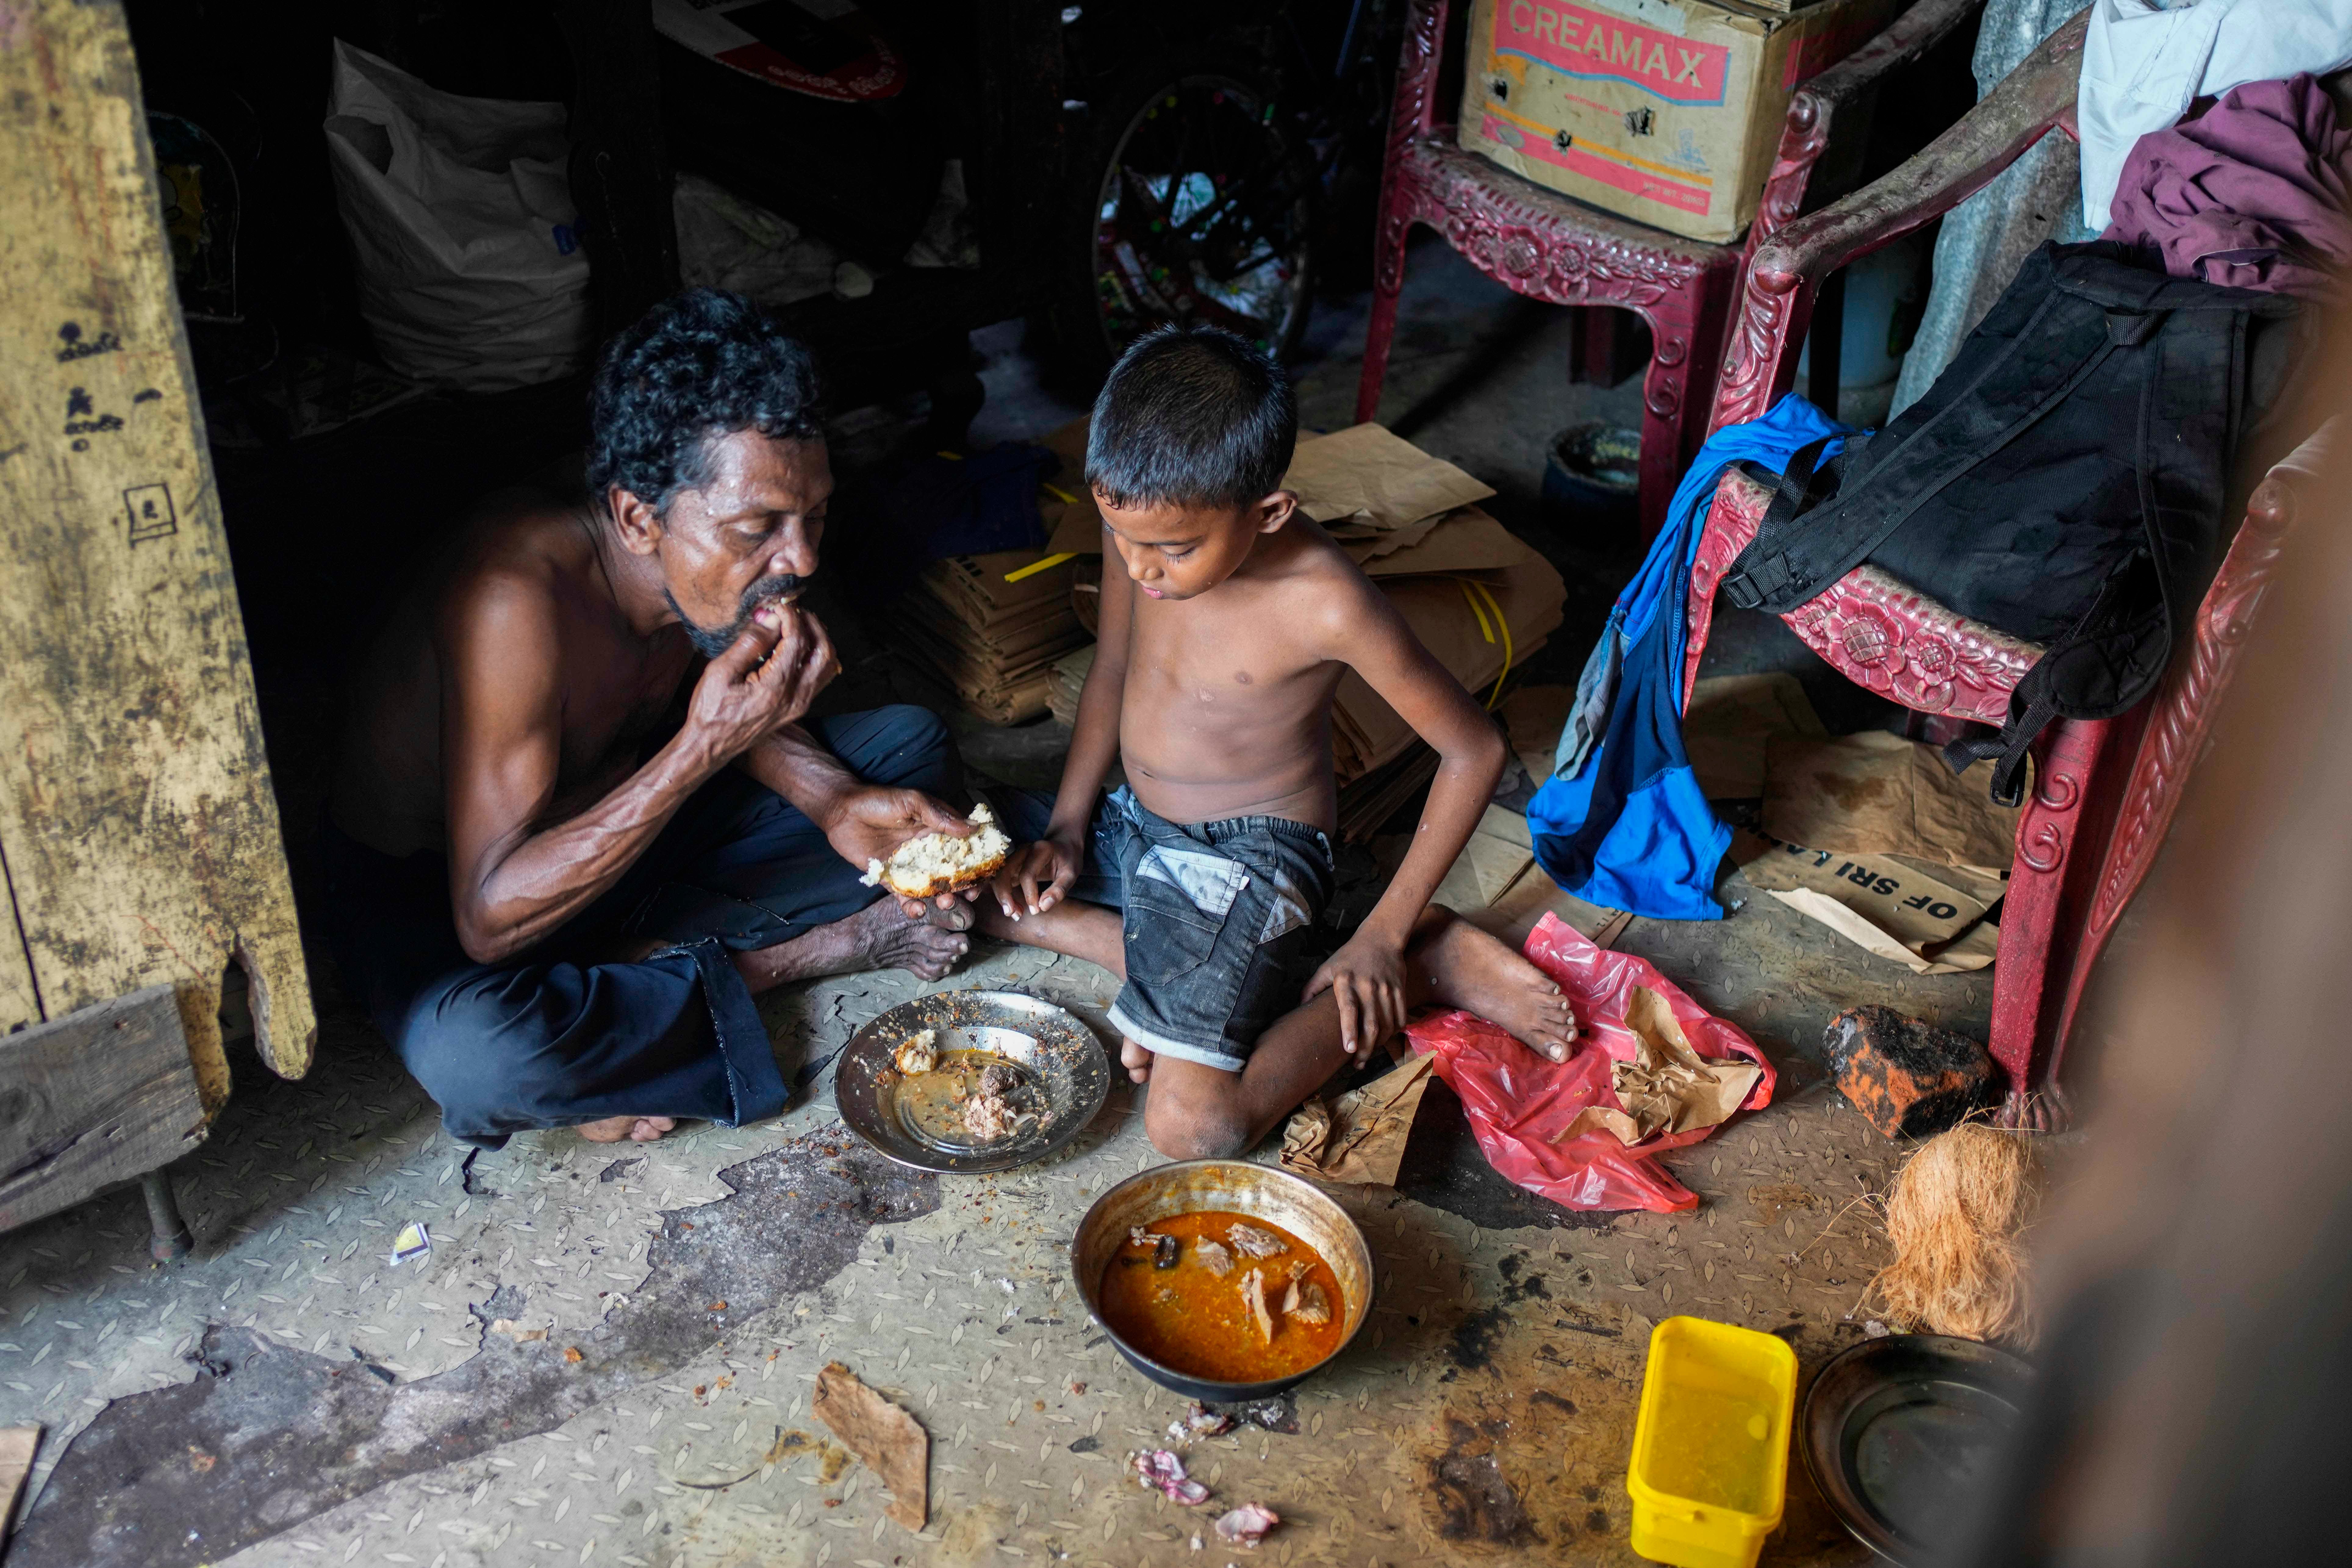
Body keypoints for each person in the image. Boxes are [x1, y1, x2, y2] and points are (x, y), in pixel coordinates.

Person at [325, 289, 979, 1150]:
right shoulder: (514, 599)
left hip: (625, 834)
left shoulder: (697, 545)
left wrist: (831, 801)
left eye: (815, 515)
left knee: (908, 749)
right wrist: (702, 748)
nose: (802, 558)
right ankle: (795, 956)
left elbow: (718, 707)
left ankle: (640, 991)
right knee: (489, 1059)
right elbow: (488, 919)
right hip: (450, 904)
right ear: (638, 519)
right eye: (759, 527)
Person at [975, 325, 1579, 1159]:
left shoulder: (1324, 601)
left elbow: (1472, 751)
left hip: (1249, 858)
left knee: (1194, 1126)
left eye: (1174, 550)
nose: (1141, 569)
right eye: (1122, 537)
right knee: (961, 886)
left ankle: (1423, 964)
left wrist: (1383, 937)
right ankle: (1167, 972)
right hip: (1135, 824)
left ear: (1269, 513)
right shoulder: (1143, 532)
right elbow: (1111, 669)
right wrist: (1069, 827)